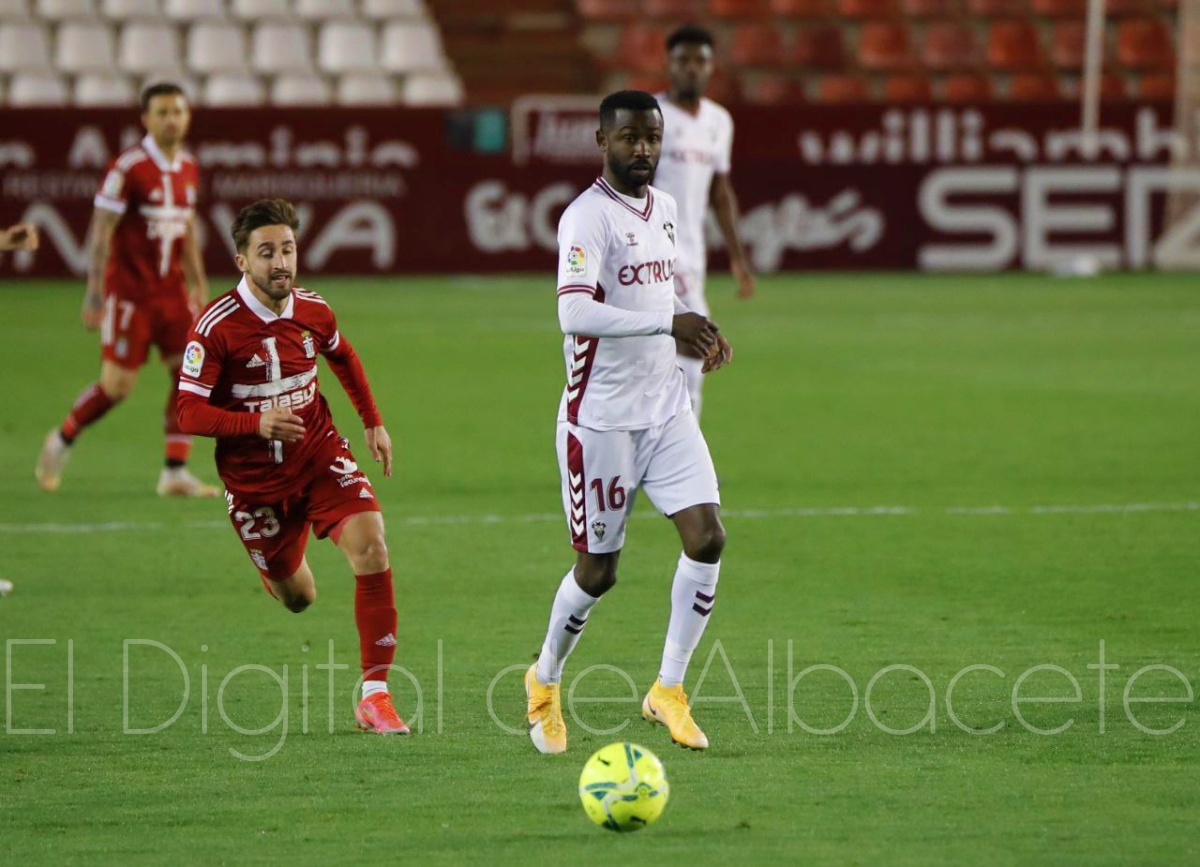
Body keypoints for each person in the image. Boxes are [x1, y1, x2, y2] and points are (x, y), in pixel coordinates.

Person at [524, 91, 733, 755]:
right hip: (602, 421)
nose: (642, 149)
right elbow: (574, 313)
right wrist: (669, 322)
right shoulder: (585, 218)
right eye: (629, 138)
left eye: (651, 138)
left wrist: (699, 326)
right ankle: (544, 679)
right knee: (598, 572)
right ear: (602, 141)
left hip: (666, 409)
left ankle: (668, 688)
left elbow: (666, 287)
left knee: (707, 537)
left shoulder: (664, 208)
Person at [175, 198, 407, 735]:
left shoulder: (314, 310)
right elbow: (187, 411)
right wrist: (255, 424)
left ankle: (376, 694)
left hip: (319, 454)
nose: (281, 263)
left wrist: (372, 421)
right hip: (254, 484)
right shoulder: (214, 328)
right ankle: (275, 565)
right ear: (242, 261)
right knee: (299, 598)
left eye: (288, 250)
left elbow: (343, 355)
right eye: (267, 253)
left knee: (372, 545)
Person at [36, 83, 217, 497]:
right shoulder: (128, 167)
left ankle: (174, 471)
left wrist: (199, 285)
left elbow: (188, 230)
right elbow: (102, 229)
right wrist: (95, 291)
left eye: (178, 111)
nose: (171, 119)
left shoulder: (188, 167)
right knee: (117, 387)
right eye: (162, 112)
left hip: (172, 294)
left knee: (190, 374)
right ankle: (61, 439)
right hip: (130, 294)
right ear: (146, 119)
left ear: (187, 117)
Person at [653, 24, 755, 418]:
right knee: (699, 342)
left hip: (693, 253)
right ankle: (682, 446)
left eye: (700, 60)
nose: (691, 68)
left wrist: (737, 257)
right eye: (683, 60)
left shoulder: (718, 121)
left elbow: (719, 193)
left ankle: (662, 440)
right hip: (658, 250)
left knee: (675, 353)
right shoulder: (652, 116)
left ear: (711, 66)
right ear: (669, 64)